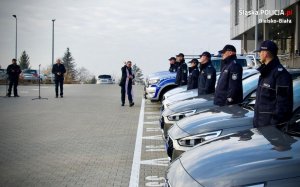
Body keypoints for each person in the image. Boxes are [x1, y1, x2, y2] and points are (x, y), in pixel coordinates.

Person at [253, 40, 293, 128]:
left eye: (260, 52)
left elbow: (283, 105)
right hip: (260, 125)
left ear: (265, 53)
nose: (259, 54)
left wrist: (273, 125)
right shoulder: (266, 72)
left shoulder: (281, 74)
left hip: (269, 128)